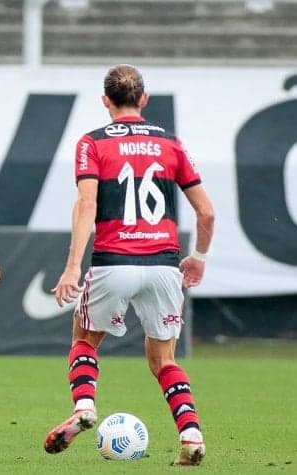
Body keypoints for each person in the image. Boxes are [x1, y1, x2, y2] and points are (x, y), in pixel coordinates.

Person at [42, 65, 214, 466]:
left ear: (105, 101)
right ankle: (191, 437)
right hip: (164, 265)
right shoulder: (171, 143)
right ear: (144, 99)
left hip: (113, 262)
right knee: (164, 361)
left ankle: (85, 407)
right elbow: (206, 214)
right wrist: (199, 259)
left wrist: (71, 268)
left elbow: (87, 203)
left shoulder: (92, 143)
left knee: (85, 341)